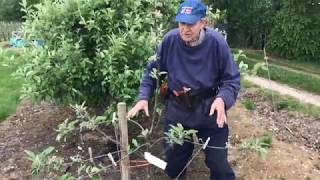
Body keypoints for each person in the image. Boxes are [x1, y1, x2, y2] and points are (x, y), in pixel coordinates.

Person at [127, 0, 240, 179]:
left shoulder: (217, 43)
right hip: (178, 112)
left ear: (203, 22)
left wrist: (222, 99)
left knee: (219, 164)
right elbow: (151, 72)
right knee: (174, 165)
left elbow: (231, 80)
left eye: (191, 24)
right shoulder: (169, 41)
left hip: (209, 112)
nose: (185, 29)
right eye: (181, 23)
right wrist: (143, 97)